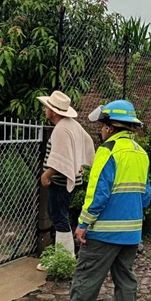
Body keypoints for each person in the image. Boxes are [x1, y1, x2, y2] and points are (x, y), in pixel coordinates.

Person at [46, 99, 151, 301]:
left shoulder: (108, 151)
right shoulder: (141, 154)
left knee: (85, 280)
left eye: (102, 126)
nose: (101, 131)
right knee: (125, 281)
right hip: (131, 232)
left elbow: (97, 194)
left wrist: (83, 224)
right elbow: (145, 196)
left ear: (111, 127)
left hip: (103, 232)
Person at [36, 90, 95, 270]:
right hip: (71, 177)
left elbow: (60, 158)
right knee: (61, 216)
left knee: (58, 216)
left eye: (47, 107)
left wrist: (46, 174)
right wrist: (82, 164)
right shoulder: (72, 124)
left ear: (53, 111)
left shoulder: (61, 129)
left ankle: (64, 259)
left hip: (61, 181)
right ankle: (65, 256)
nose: (45, 110)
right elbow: (87, 143)